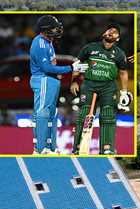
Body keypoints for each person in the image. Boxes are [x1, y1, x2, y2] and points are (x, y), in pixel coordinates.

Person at [30, 15, 88, 154]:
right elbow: (47, 68)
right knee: (42, 112)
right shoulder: (39, 43)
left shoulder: (48, 42)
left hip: (51, 80)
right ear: (46, 29)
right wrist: (71, 68)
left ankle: (50, 147)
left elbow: (52, 65)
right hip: (43, 79)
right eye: (54, 28)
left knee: (52, 113)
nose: (57, 30)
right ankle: (39, 148)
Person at [70, 23, 132, 155]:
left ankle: (107, 148)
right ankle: (76, 147)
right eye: (108, 30)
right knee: (83, 114)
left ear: (118, 39)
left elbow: (123, 73)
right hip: (89, 84)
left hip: (108, 86)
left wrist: (124, 92)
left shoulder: (119, 54)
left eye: (114, 32)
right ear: (103, 33)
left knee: (108, 115)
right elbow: (77, 64)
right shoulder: (90, 48)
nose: (110, 33)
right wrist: (74, 81)